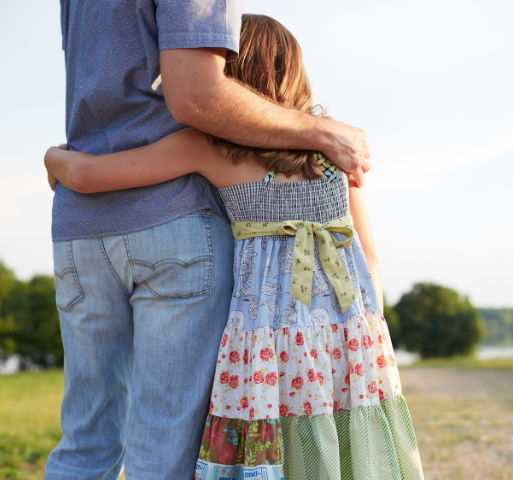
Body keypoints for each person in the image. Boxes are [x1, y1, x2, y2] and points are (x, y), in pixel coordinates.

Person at [46, 14, 423, 480]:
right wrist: (368, 332)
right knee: (334, 447)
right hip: (348, 335)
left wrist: (53, 157)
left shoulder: (212, 148)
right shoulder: (336, 153)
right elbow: (368, 257)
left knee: (275, 450)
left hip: (264, 343)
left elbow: (86, 176)